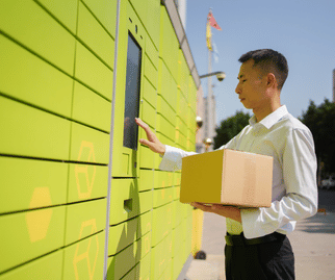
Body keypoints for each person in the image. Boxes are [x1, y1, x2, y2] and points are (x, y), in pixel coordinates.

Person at [135, 49, 318, 280]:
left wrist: (243, 217)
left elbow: (305, 202)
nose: (237, 89)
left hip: (267, 255)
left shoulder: (291, 132)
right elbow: (209, 164)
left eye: (243, 80)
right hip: (235, 251)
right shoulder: (247, 133)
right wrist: (165, 150)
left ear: (269, 80)